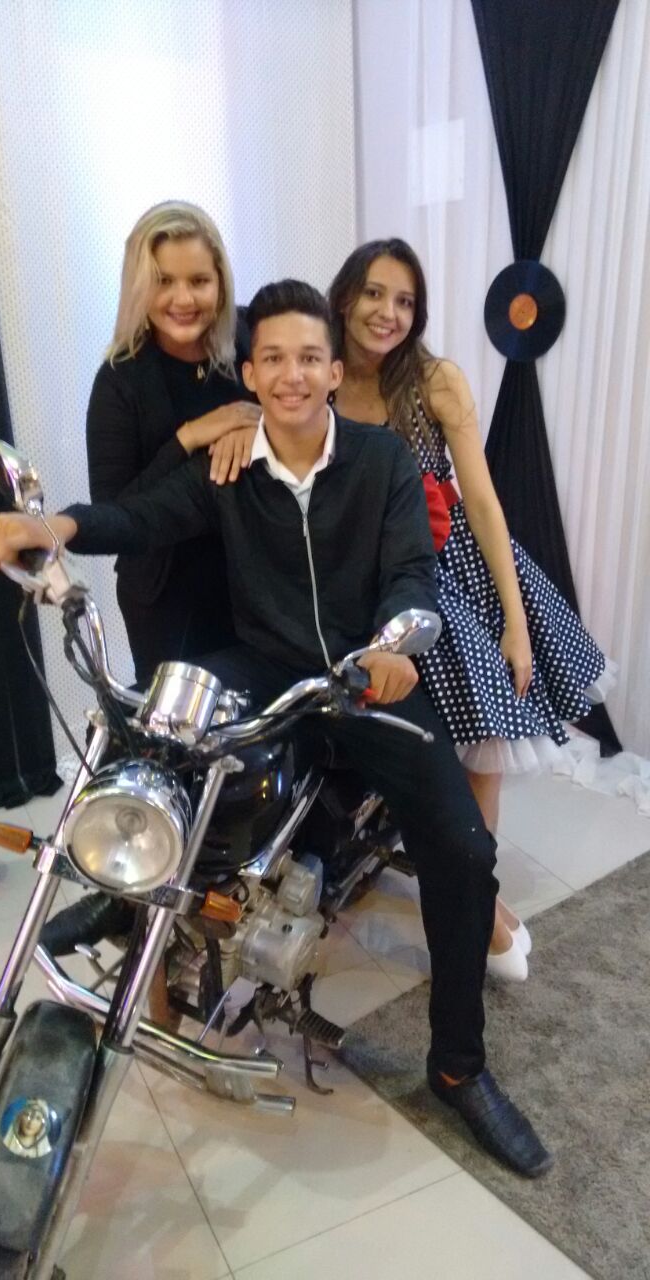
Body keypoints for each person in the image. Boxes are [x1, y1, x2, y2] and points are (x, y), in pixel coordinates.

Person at [0, 280, 553, 1177]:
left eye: (308, 358)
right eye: (274, 359)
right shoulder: (232, 466)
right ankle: (130, 904)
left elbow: (411, 571)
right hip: (269, 664)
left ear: (332, 371)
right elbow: (141, 516)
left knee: (462, 848)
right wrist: (53, 526)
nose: (292, 375)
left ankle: (458, 1066)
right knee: (156, 728)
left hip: (368, 676)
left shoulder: (380, 461)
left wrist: (397, 642)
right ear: (250, 373)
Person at [329, 240, 613, 979]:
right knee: (416, 748)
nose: (388, 313)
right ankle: (472, 895)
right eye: (374, 293)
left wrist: (516, 623)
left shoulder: (433, 381)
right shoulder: (319, 379)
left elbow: (481, 501)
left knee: (486, 734)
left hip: (452, 568)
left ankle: (473, 898)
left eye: (405, 301)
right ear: (344, 296)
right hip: (368, 580)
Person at [86, 200, 260, 686]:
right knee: (180, 726)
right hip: (167, 598)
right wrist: (190, 436)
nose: (183, 298)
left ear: (221, 282)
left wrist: (258, 426)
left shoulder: (250, 340)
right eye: (164, 281)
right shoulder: (118, 381)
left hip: (259, 583)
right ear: (139, 286)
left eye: (199, 280)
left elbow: (308, 404)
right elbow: (115, 517)